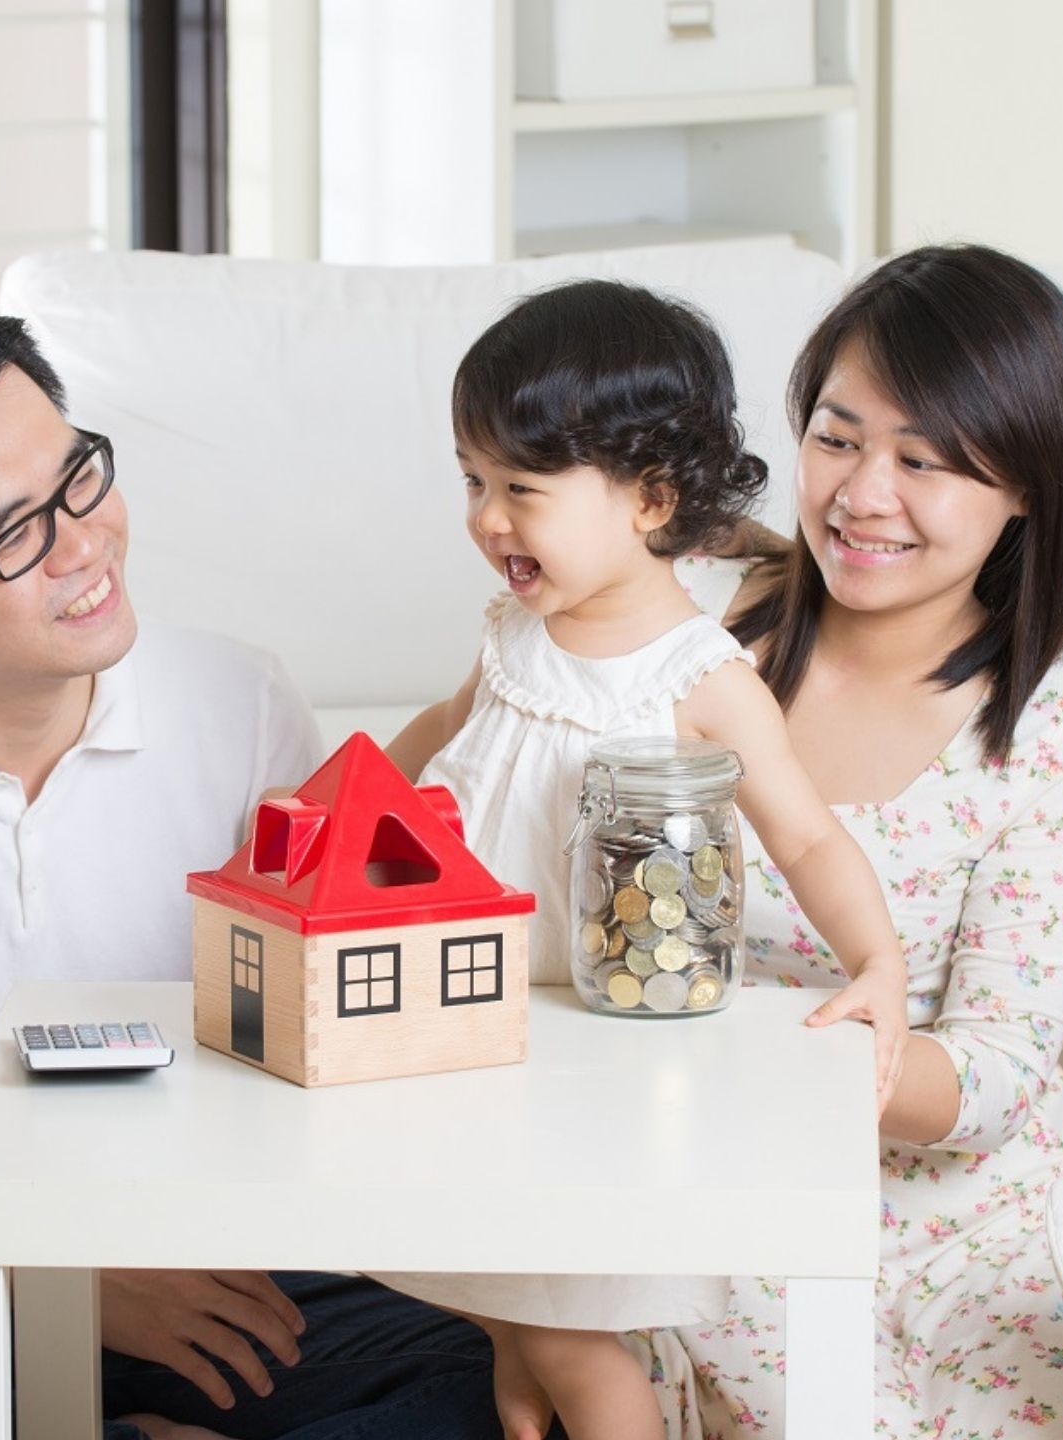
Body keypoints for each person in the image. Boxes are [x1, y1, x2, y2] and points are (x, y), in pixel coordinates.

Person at [0, 280, 531, 1440]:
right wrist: (46, 1270)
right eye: (11, 536)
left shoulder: (237, 700)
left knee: (471, 1371)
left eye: (79, 476)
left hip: (223, 1280)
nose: (86, 545)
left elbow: (329, 1063)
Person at [380, 279, 909, 1440]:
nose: (486, 519)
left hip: (607, 1046)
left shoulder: (695, 677)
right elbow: (444, 729)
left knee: (576, 1335)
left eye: (522, 489)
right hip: (475, 1018)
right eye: (472, 481)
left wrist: (876, 963)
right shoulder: (513, 631)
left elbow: (808, 832)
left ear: (650, 500)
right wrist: (351, 796)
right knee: (501, 1301)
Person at [636, 245, 1063, 1438]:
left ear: (1027, 490)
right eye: (838, 438)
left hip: (987, 1220)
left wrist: (755, 1057)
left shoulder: (1056, 734)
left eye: (925, 461)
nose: (862, 494)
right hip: (734, 1205)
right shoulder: (697, 648)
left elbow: (997, 1075)